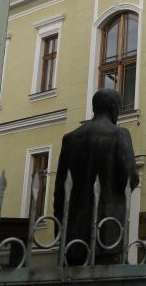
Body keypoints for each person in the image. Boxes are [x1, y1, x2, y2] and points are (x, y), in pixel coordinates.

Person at [53, 88, 139, 265]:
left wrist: (59, 229)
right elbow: (131, 179)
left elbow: (60, 189)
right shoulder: (119, 134)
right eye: (119, 109)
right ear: (113, 107)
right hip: (107, 234)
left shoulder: (70, 139)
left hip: (73, 236)